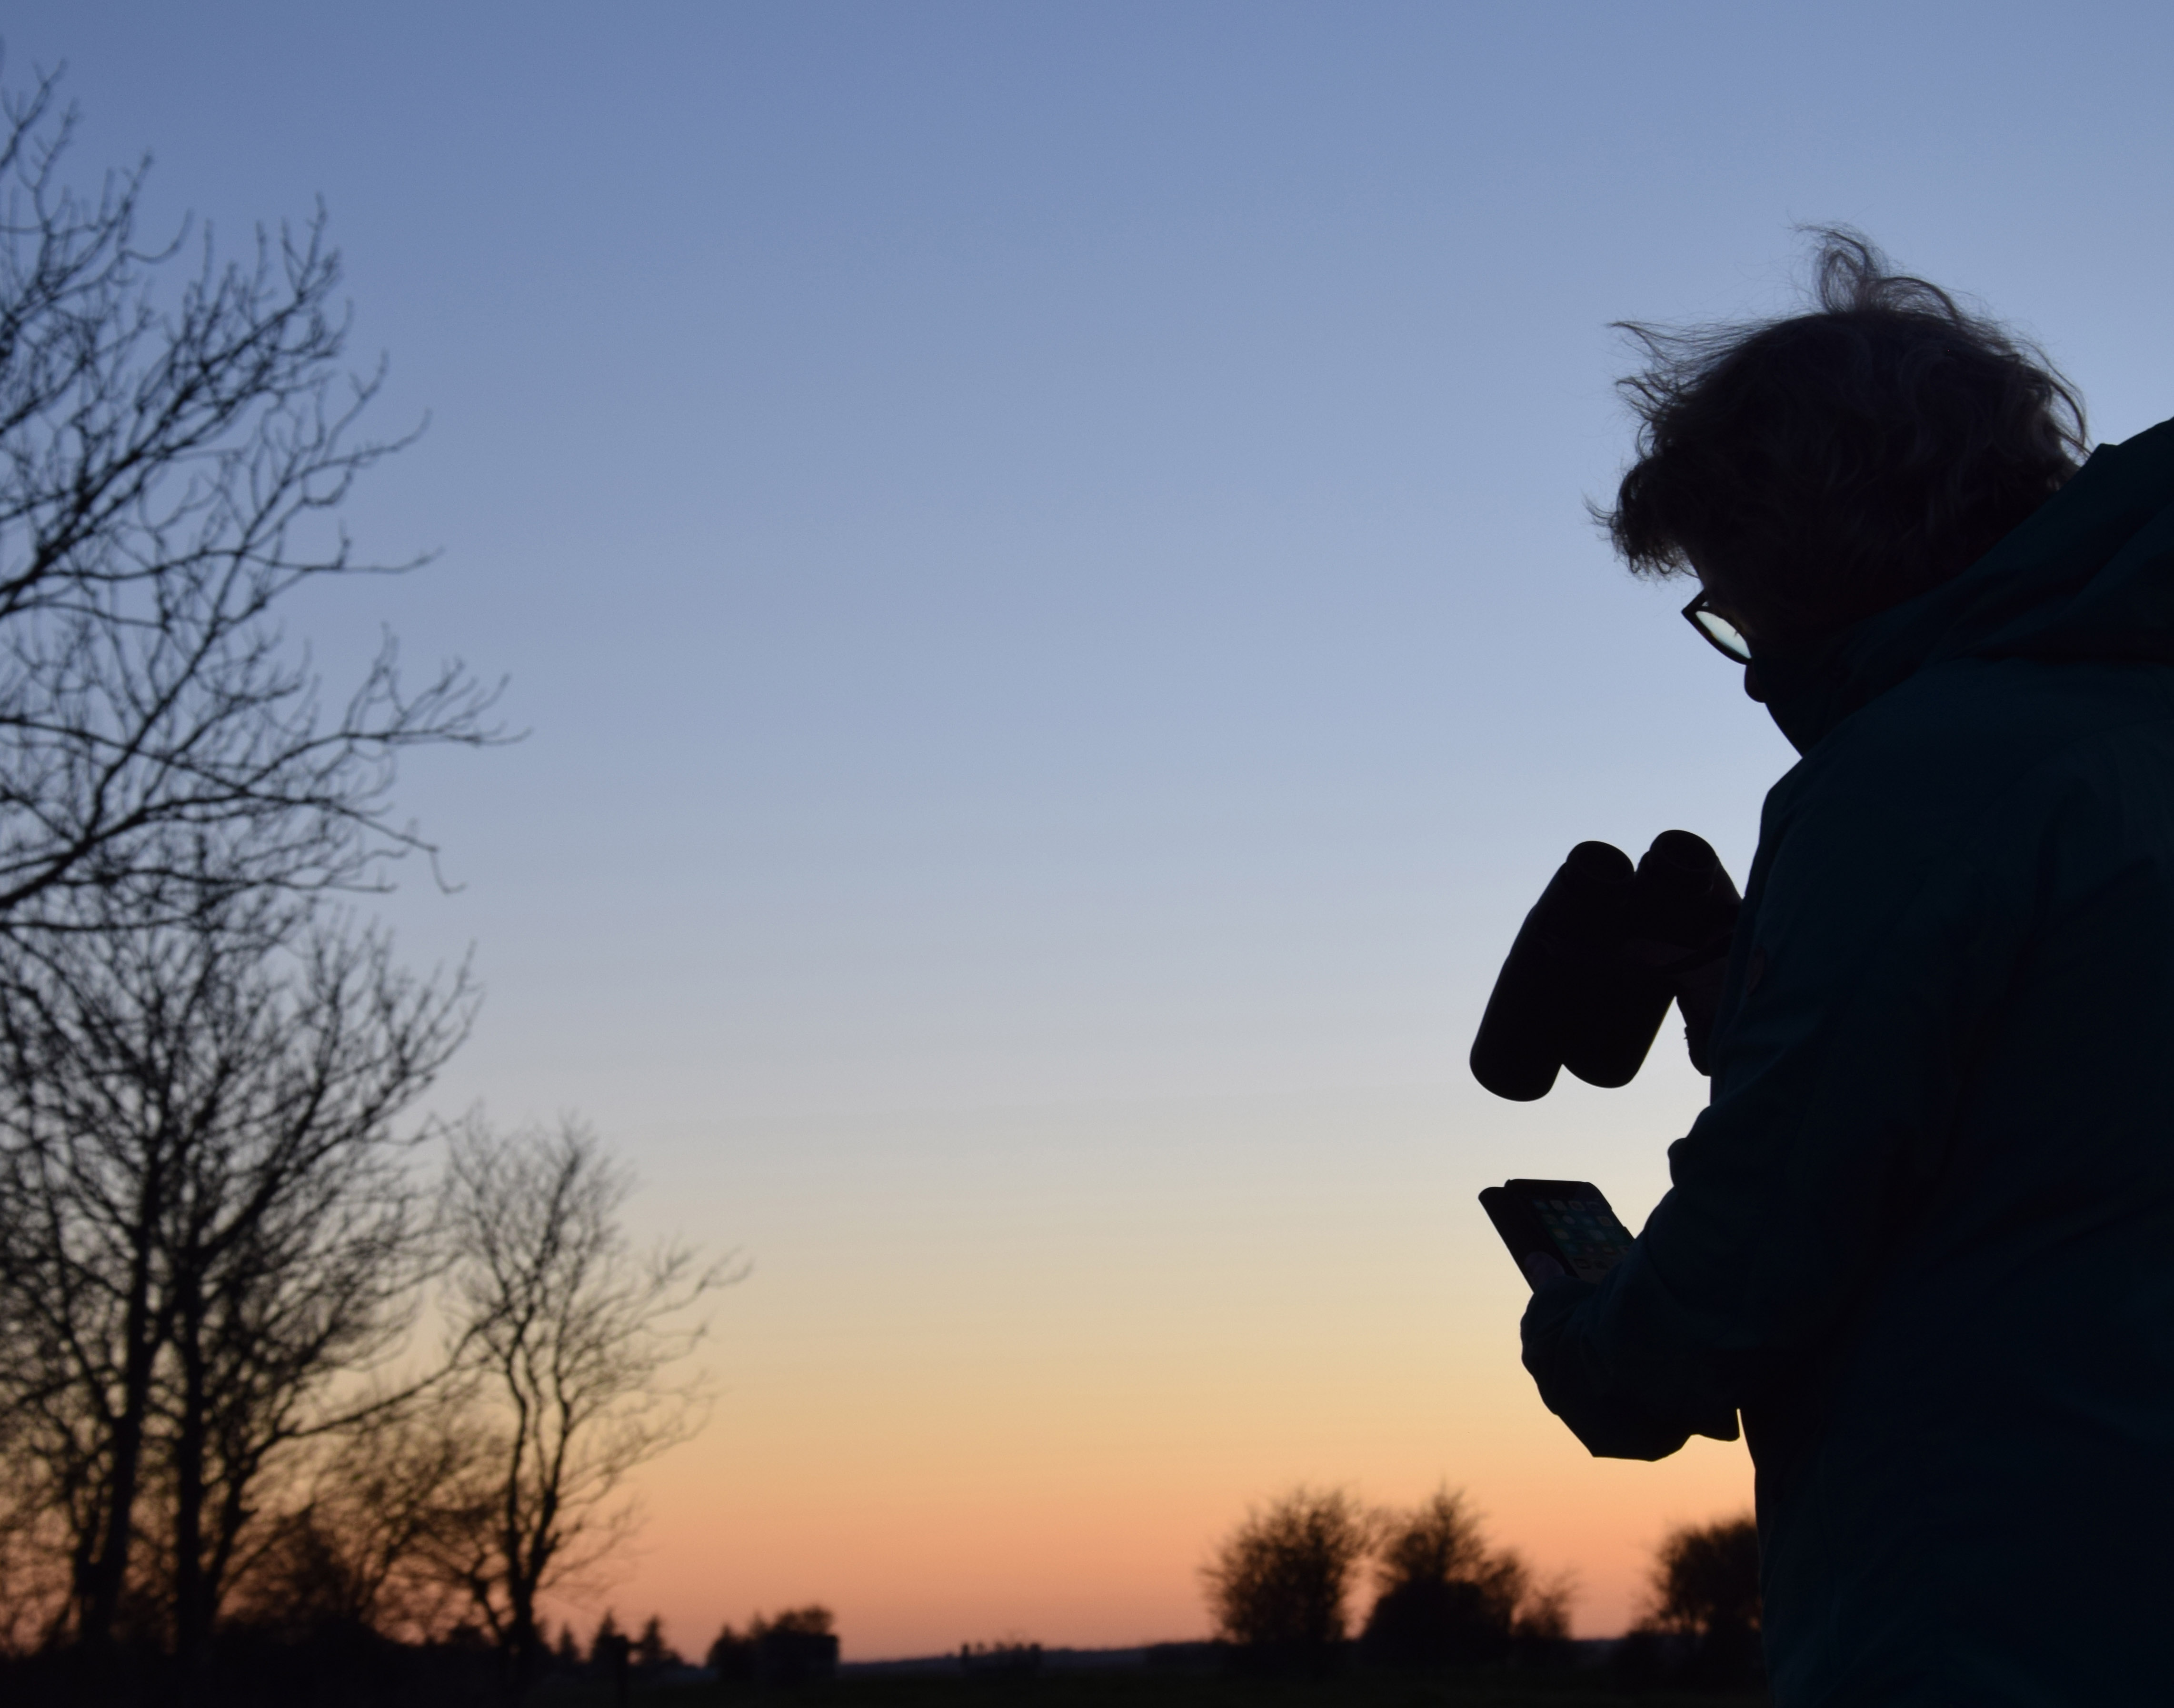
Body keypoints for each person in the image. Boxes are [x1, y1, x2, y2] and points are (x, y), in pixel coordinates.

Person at [1518, 231, 2174, 1704]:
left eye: (1734, 600)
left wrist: (1584, 1326)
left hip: (2002, 1612)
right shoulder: (2131, 735)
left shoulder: (1911, 786)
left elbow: (1736, 1274)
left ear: (1823, 545)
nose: (1748, 668)